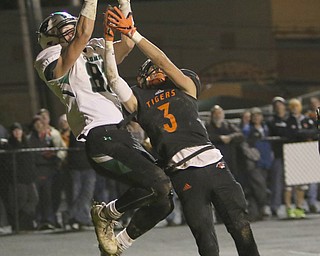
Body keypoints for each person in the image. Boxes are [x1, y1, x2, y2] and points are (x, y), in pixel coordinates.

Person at [105, 7, 260, 256]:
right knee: (205, 238)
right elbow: (113, 79)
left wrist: (133, 35)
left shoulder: (184, 86)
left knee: (240, 226)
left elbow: (163, 62)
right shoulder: (138, 99)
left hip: (211, 165)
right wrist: (109, 43)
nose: (156, 70)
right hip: (184, 173)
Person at [34, 0, 173, 254]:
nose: (71, 30)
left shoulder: (94, 45)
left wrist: (125, 3)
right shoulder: (49, 57)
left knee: (164, 202)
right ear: (50, 40)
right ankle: (106, 214)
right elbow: (83, 33)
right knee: (159, 184)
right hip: (100, 135)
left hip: (121, 133)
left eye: (71, 26)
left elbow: (128, 42)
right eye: (63, 29)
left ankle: (117, 244)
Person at [266, 96, 288, 217]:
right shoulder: (271, 121)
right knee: (276, 181)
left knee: (292, 182)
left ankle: (292, 205)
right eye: (276, 105)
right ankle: (275, 206)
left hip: (291, 153)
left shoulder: (290, 119)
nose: (279, 107)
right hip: (278, 154)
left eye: (280, 104)